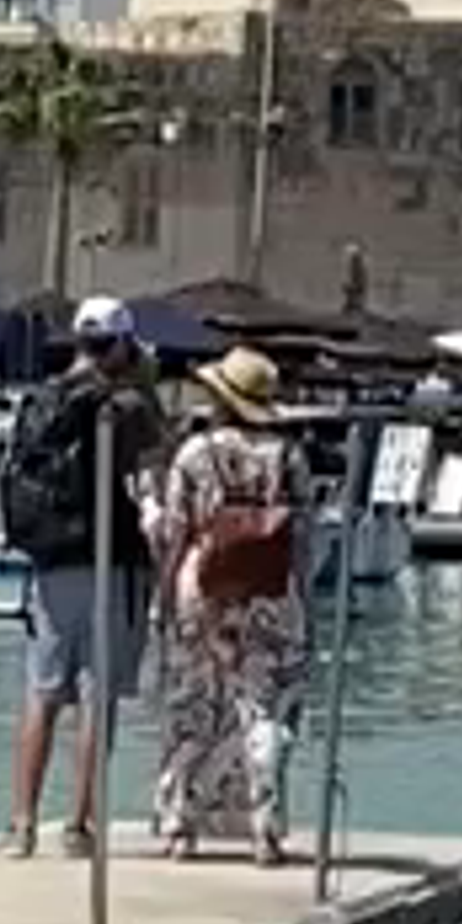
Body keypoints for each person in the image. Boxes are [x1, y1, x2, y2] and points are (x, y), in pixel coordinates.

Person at [0, 299, 153, 855]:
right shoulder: (123, 404)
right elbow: (148, 456)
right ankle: (79, 826)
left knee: (40, 694)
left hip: (49, 562)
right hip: (108, 560)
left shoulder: (39, 399)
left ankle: (21, 824)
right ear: (120, 346)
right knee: (96, 698)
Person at [151, 341, 307, 862]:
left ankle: (180, 825)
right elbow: (303, 540)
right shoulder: (288, 455)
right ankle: (265, 826)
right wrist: (304, 600)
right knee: (263, 709)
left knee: (193, 708)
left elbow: (176, 531)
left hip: (203, 585)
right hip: (270, 591)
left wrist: (163, 597)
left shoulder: (195, 454)